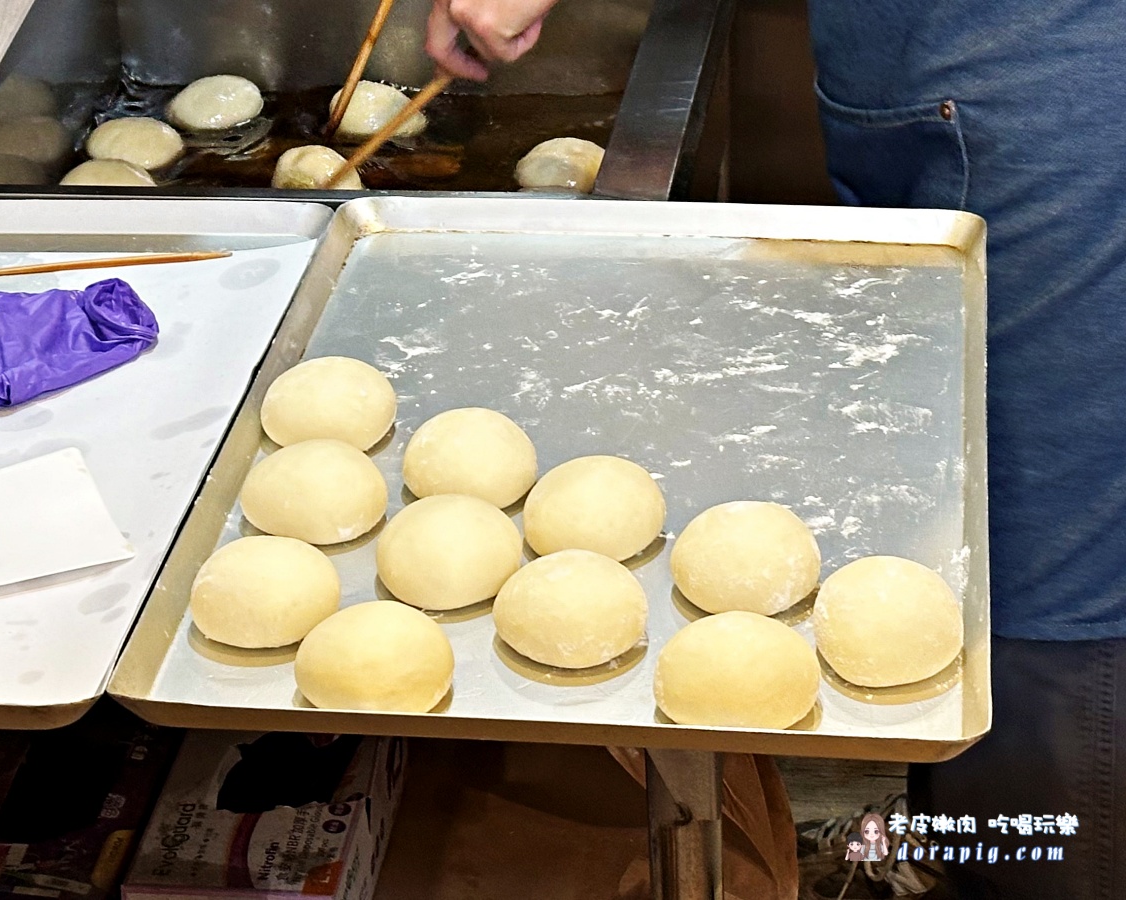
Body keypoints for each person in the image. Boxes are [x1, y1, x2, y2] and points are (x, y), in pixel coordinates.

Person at [425, 1, 1126, 897]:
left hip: (1053, 92)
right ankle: (960, 845)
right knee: (941, 523)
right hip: (905, 66)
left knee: (1040, 560)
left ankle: (1045, 863)